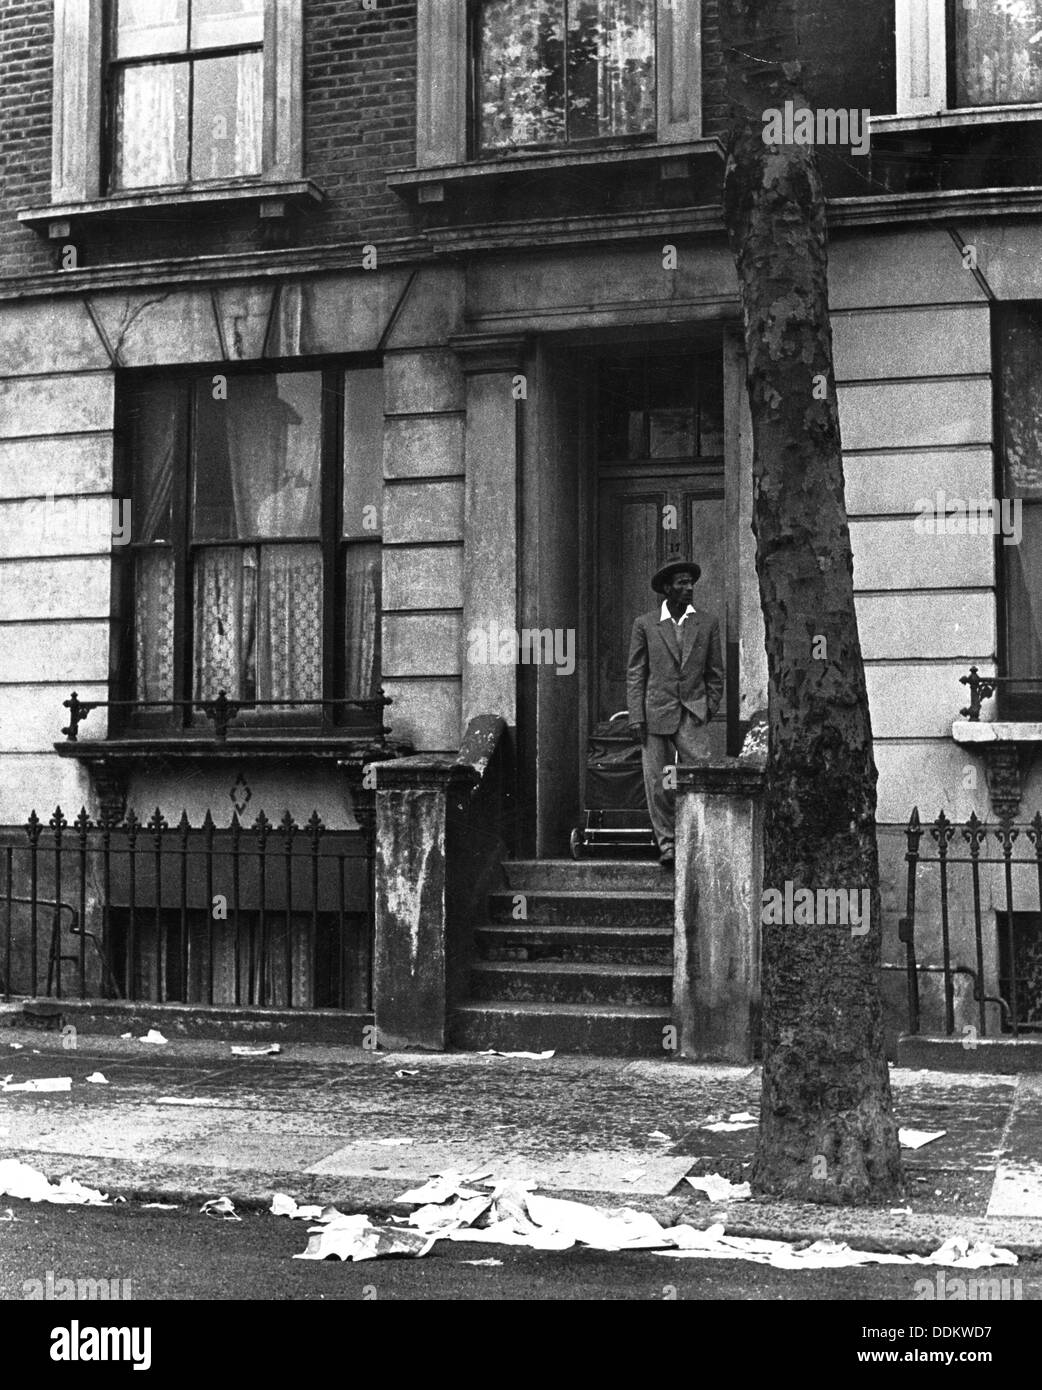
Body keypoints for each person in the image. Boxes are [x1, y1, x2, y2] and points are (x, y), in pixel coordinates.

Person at [626, 559, 724, 867]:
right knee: (658, 782)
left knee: (705, 777)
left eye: (690, 582)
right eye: (681, 583)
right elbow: (636, 673)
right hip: (654, 713)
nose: (688, 587)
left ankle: (706, 841)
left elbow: (715, 672)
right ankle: (667, 845)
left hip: (693, 711)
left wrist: (708, 707)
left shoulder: (707, 623)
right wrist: (636, 716)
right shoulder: (645, 624)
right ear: (667, 589)